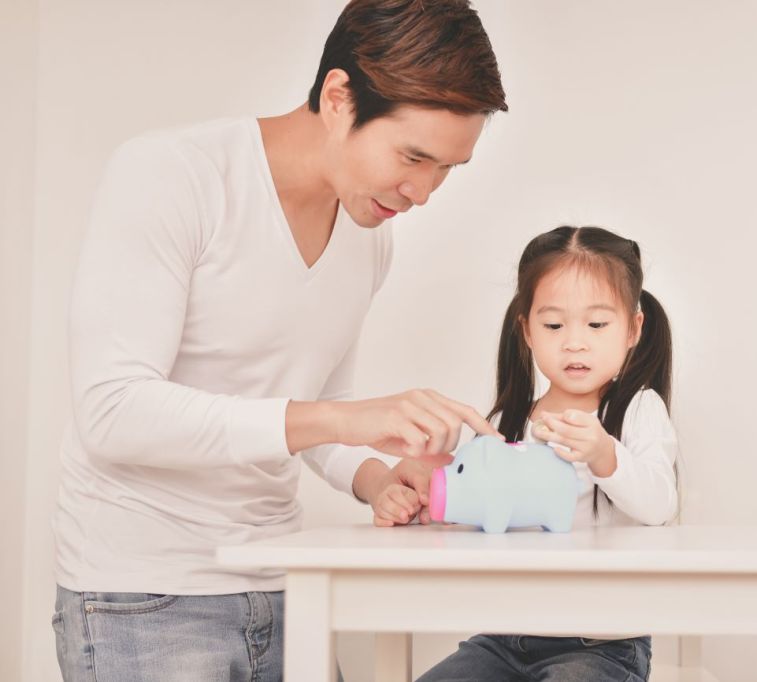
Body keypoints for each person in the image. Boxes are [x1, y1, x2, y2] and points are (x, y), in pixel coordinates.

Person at [50, 1, 506, 680]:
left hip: (284, 586)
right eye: (414, 157)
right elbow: (112, 413)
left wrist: (379, 474)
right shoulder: (174, 176)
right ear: (337, 97)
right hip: (144, 601)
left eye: (447, 169)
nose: (423, 192)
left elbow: (313, 405)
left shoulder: (369, 233)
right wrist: (347, 419)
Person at [377, 225, 681, 681]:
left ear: (633, 329)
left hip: (601, 645)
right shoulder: (510, 419)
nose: (574, 342)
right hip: (504, 639)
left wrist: (604, 454)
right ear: (527, 330)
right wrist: (422, 502)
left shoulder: (637, 409)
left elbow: (659, 506)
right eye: (554, 325)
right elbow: (477, 508)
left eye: (597, 324)